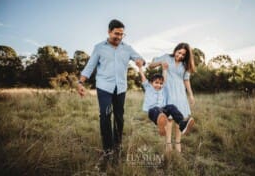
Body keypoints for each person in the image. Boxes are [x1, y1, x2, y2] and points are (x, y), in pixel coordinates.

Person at [77, 19, 145, 165]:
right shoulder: (99, 48)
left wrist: (140, 61)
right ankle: (107, 149)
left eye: (122, 34)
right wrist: (80, 82)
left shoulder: (127, 48)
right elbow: (90, 67)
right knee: (106, 115)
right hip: (104, 88)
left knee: (119, 117)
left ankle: (117, 145)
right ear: (109, 32)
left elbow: (140, 59)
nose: (119, 37)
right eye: (116, 34)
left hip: (120, 88)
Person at [149, 43, 195, 152]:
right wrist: (160, 63)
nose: (180, 56)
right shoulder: (166, 57)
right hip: (167, 91)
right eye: (179, 52)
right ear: (175, 50)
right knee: (169, 119)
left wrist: (191, 95)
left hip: (180, 92)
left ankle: (178, 143)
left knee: (181, 117)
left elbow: (186, 80)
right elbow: (150, 65)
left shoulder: (185, 65)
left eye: (183, 55)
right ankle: (168, 144)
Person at [137, 61, 194, 142]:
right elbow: (143, 77)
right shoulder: (148, 87)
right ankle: (161, 123)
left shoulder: (162, 89)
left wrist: (164, 69)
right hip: (152, 112)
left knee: (171, 106)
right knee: (157, 109)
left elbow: (164, 78)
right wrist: (140, 67)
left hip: (162, 111)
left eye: (160, 83)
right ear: (150, 83)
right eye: (156, 83)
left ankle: (182, 124)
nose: (159, 85)